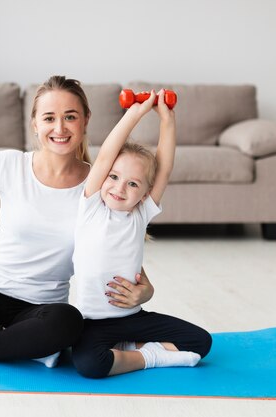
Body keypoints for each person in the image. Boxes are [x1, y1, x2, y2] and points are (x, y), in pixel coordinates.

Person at [0, 76, 155, 367]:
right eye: (49, 118)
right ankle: (22, 345)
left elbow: (119, 247)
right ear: (35, 124)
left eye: (70, 117)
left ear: (85, 121)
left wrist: (146, 290)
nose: (60, 128)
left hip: (39, 310)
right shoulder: (10, 165)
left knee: (67, 321)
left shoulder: (100, 188)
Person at [71, 89, 212, 378]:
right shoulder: (91, 207)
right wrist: (134, 113)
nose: (119, 188)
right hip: (93, 321)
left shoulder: (140, 214)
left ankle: (133, 348)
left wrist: (167, 120)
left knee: (201, 341)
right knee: (89, 365)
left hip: (133, 317)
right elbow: (105, 157)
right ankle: (149, 356)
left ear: (146, 193)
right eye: (114, 177)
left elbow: (165, 167)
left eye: (133, 184)